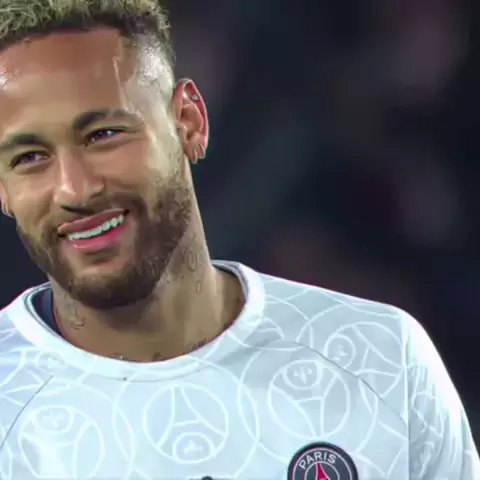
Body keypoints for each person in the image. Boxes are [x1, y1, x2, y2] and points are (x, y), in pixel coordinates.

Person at [0, 1, 477, 479]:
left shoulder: (380, 357)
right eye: (29, 158)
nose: (75, 190)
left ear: (189, 122)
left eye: (103, 134)